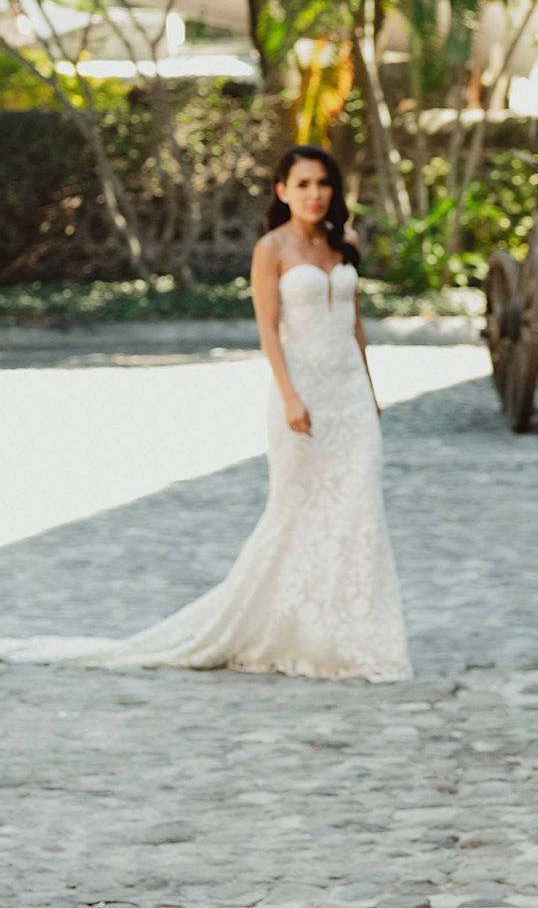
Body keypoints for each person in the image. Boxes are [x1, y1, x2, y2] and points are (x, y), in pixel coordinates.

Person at [65, 145, 412, 681]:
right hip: (302, 393)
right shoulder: (271, 248)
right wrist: (291, 395)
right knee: (297, 512)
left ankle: (353, 636)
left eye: (323, 183)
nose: (314, 194)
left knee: (358, 509)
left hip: (350, 398)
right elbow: (269, 330)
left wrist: (370, 390)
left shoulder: (345, 243)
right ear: (281, 191)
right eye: (302, 184)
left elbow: (355, 323)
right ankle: (286, 627)